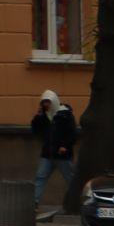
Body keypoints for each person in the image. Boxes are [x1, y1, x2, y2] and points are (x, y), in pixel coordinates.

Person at [32, 89, 80, 218]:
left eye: (48, 102)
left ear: (53, 101)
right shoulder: (44, 116)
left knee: (70, 178)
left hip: (62, 154)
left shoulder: (65, 115)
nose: (46, 105)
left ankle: (77, 203)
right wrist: (38, 116)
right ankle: (34, 204)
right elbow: (35, 130)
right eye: (43, 102)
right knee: (40, 177)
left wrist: (65, 145)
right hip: (48, 153)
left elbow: (72, 133)